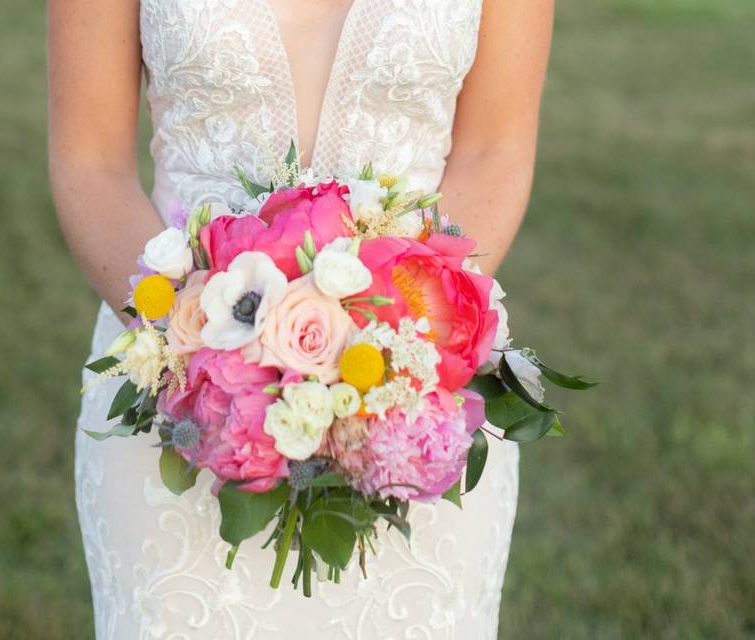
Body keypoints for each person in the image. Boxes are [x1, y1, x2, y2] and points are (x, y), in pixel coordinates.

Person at [48, 1, 552, 637]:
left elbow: (495, 149)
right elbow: (90, 162)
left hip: (415, 396)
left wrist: (400, 349)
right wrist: (205, 351)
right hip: (183, 392)